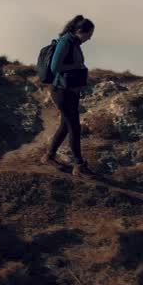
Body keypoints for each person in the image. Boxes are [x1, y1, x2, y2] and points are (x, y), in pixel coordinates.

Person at [42, 15, 94, 176]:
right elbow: (55, 67)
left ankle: (49, 156)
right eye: (88, 34)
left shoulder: (74, 43)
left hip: (71, 90)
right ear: (79, 31)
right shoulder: (65, 42)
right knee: (74, 127)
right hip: (61, 91)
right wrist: (77, 66)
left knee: (66, 125)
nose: (89, 38)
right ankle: (79, 165)